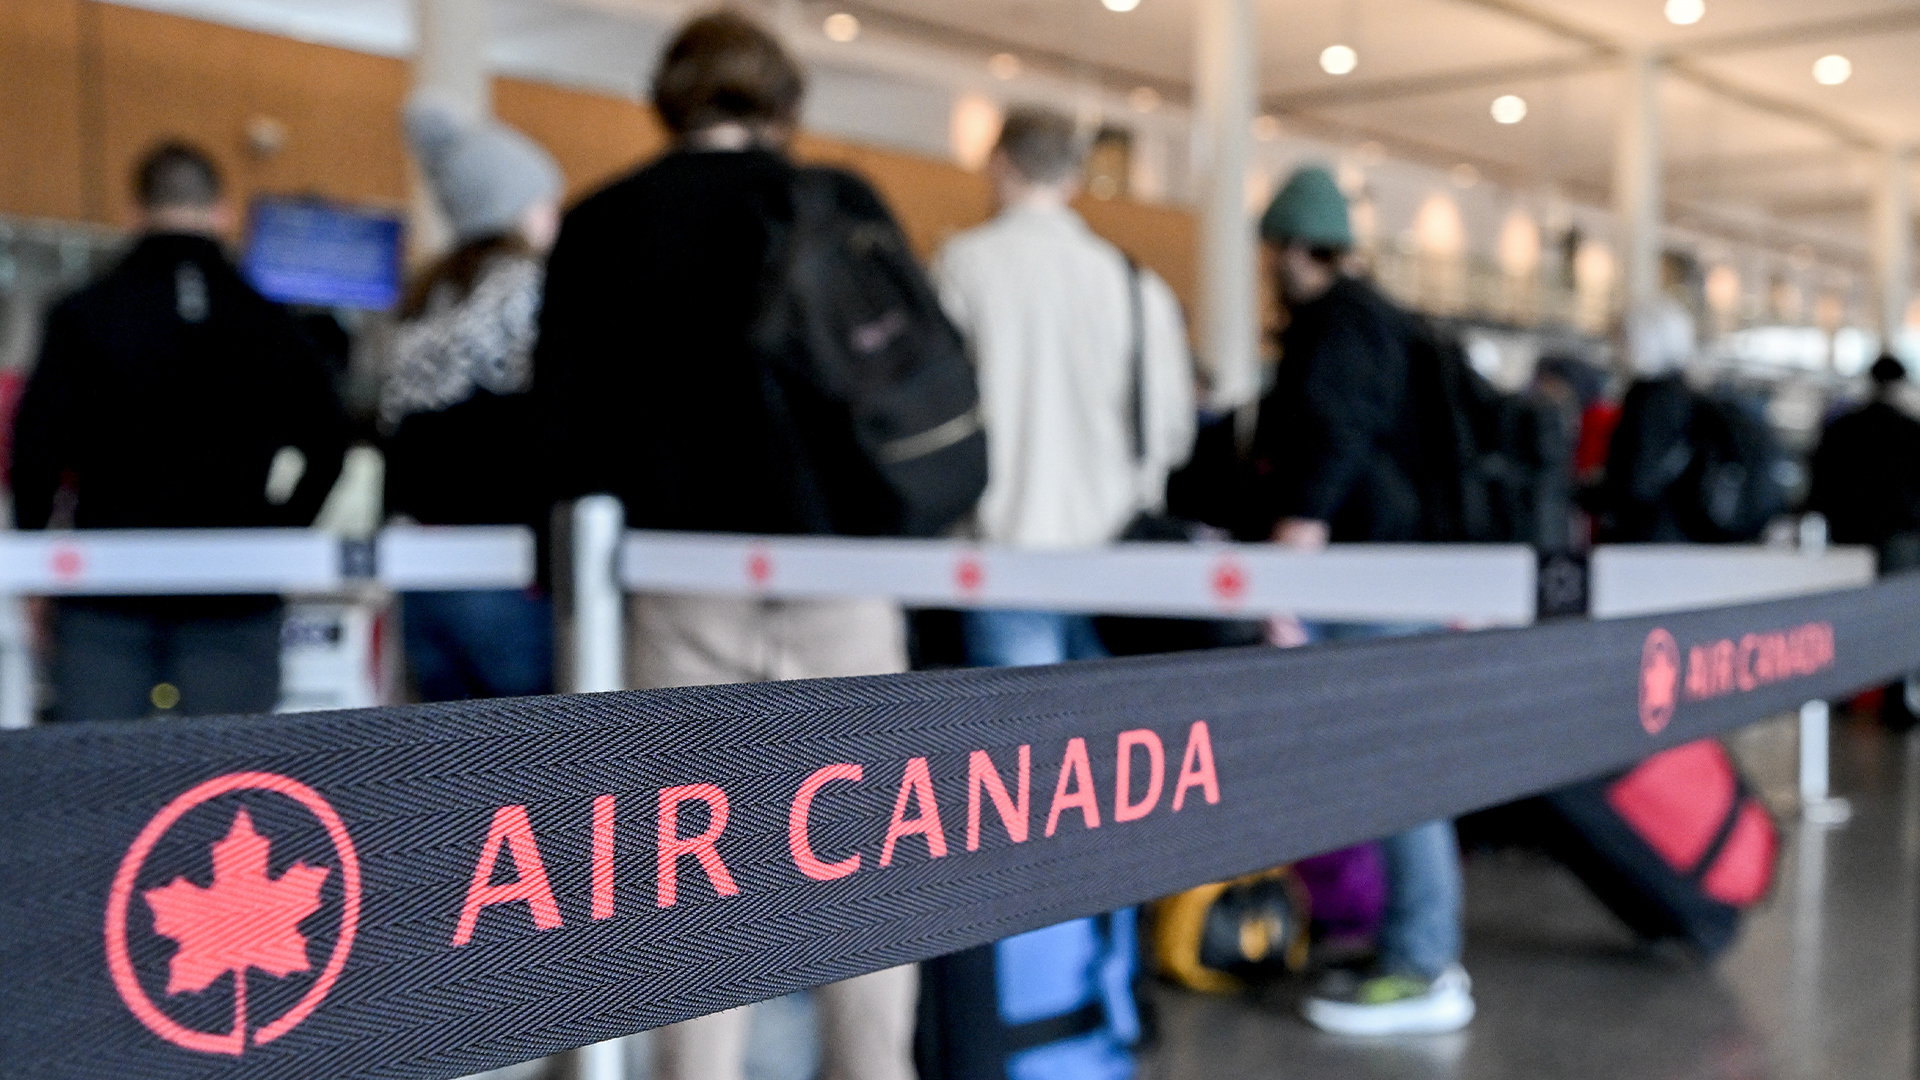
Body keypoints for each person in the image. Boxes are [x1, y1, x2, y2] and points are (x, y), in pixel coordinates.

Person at [532, 13, 919, 1080]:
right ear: (783, 99)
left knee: (689, 873)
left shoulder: (603, 222)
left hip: (673, 581)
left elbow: (560, 430)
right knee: (868, 864)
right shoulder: (835, 205)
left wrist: (564, 583)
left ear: (670, 96)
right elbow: (903, 397)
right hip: (841, 573)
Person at [1248, 165, 1474, 1036]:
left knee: (1399, 766)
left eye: (1273, 249)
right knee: (1400, 762)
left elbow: (1334, 436)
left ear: (1295, 247)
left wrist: (1286, 562)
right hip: (1408, 570)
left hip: (1369, 576)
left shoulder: (1337, 323)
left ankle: (1422, 965)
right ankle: (1408, 943)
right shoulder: (1387, 318)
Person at [9, 141, 348, 722]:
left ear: (132, 213)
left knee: (104, 782)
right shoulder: (271, 322)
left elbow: (35, 452)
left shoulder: (83, 314)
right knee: (227, 778)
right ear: (224, 213)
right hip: (237, 590)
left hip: (105, 589)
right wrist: (277, 532)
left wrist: (38, 559)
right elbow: (329, 447)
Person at [384, 97, 563, 702]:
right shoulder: (529, 292)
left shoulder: (426, 299)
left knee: (450, 771)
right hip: (503, 571)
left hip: (420, 572)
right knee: (530, 769)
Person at [1807, 354, 1920, 574]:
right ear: (1901, 382)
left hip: (1848, 523)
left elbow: (1822, 473)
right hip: (1898, 527)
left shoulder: (1843, 427)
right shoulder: (1910, 429)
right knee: (1894, 596)